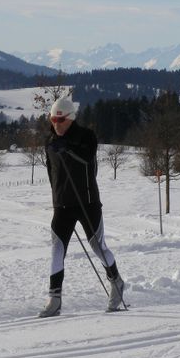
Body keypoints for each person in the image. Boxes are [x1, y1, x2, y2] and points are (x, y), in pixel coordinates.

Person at [39, 97, 125, 317]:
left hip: (87, 202)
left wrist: (67, 149)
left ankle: (116, 282)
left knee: (98, 247)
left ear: (70, 118)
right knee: (57, 249)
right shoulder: (49, 141)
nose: (56, 124)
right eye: (53, 119)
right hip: (63, 205)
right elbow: (51, 172)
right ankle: (54, 299)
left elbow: (87, 160)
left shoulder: (86, 136)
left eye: (61, 120)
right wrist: (56, 197)